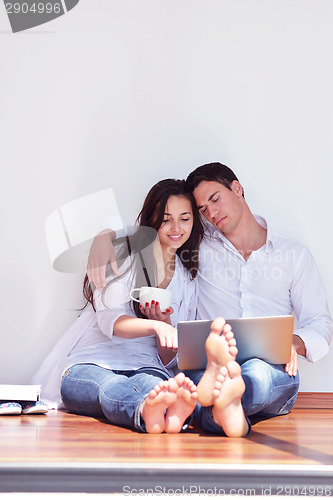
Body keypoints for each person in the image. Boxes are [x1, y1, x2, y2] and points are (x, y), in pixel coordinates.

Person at [87, 163, 333, 425]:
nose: (212, 213)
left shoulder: (293, 254)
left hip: (270, 366)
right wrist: (105, 235)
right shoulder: (197, 246)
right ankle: (224, 415)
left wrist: (294, 342)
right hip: (208, 370)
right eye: (202, 209)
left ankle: (221, 403)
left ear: (237, 189)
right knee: (194, 386)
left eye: (215, 199)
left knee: (256, 375)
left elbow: (321, 323)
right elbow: (154, 224)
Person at [32, 178, 250, 436]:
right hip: (91, 362)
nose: (176, 227)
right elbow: (110, 321)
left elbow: (169, 357)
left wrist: (166, 328)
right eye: (166, 218)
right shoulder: (125, 255)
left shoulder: (186, 279)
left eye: (185, 218)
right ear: (152, 219)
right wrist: (155, 326)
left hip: (147, 365)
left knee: (155, 386)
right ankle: (150, 409)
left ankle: (202, 410)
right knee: (108, 386)